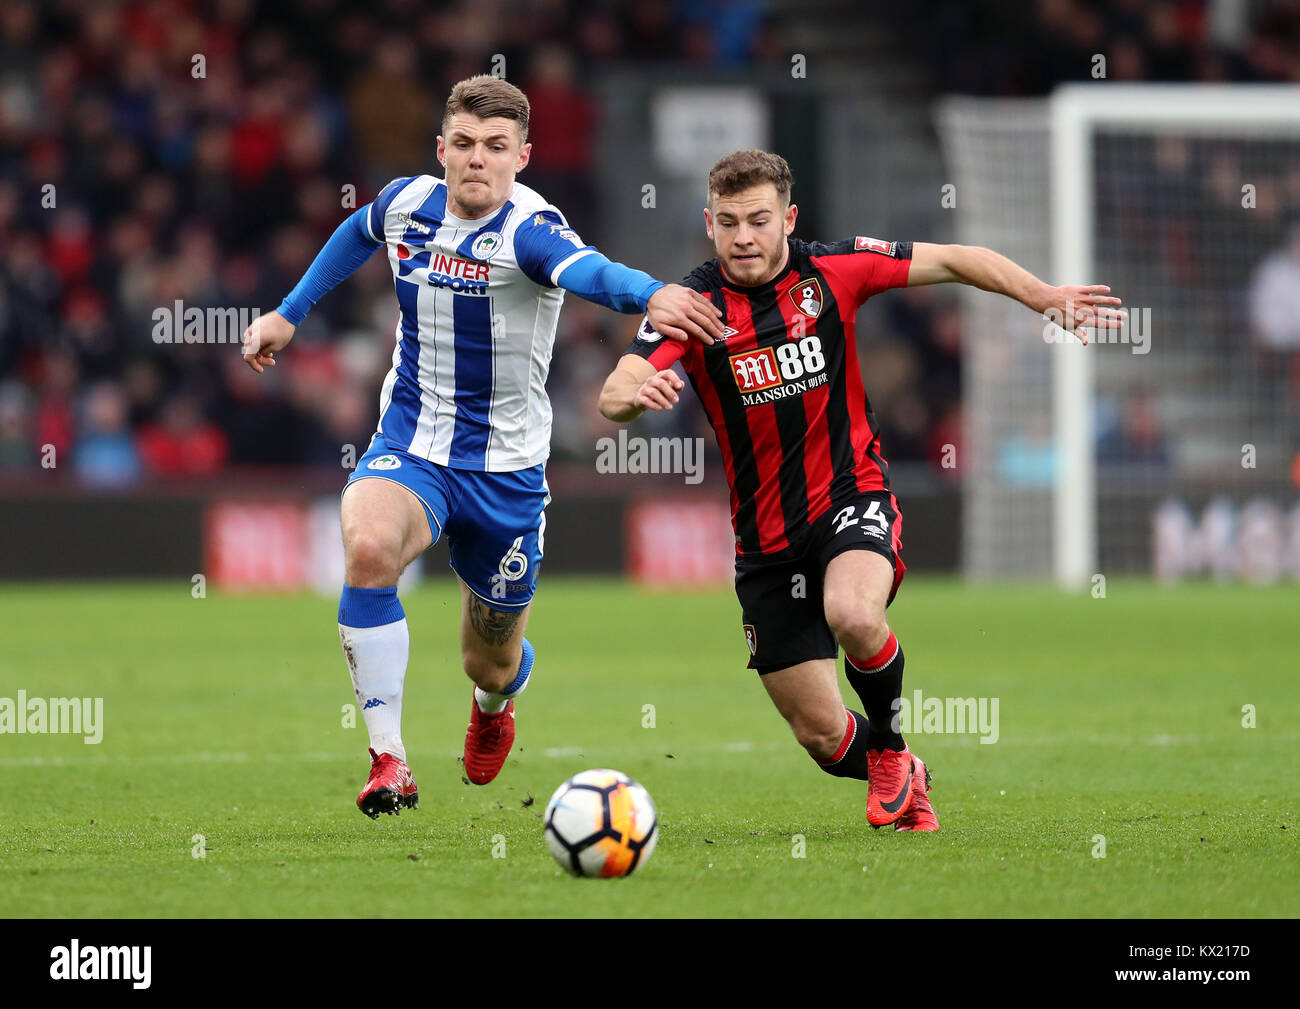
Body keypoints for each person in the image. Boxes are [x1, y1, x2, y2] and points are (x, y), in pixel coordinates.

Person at [240, 76, 722, 818]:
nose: (477, 160)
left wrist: (651, 292)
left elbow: (590, 272)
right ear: (441, 149)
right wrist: (290, 311)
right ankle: (389, 760)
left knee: (489, 658)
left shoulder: (531, 230)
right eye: (463, 144)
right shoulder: (408, 202)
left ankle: (494, 705)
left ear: (521, 156)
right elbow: (357, 232)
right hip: (412, 444)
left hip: (506, 473)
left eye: (496, 147)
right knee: (368, 547)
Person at [598, 150, 1124, 830]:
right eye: (727, 223)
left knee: (853, 613)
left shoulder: (834, 271)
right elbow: (613, 392)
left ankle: (891, 753)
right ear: (709, 223)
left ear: (788, 217)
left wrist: (1044, 296)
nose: (744, 238)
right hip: (766, 539)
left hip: (853, 496)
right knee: (820, 736)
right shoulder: (691, 308)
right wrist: (638, 396)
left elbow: (959, 257)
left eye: (758, 220)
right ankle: (902, 768)